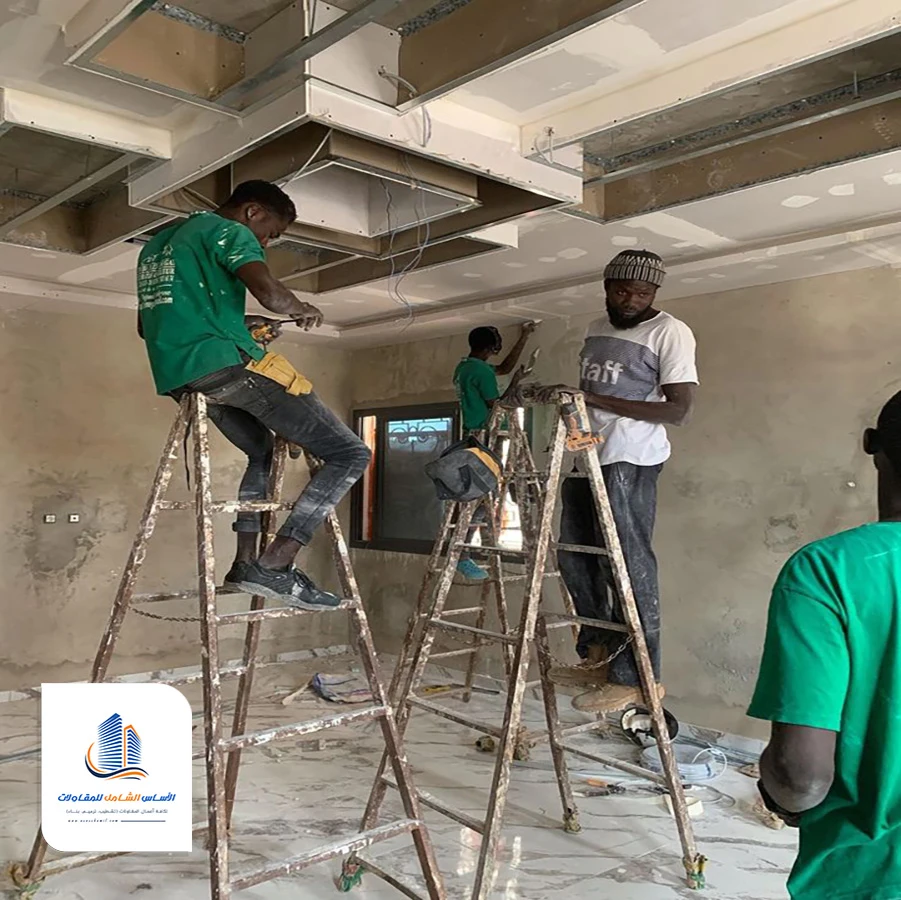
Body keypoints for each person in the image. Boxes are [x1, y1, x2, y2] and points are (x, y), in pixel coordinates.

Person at [136, 180, 371, 609]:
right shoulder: (229, 231)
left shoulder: (157, 246)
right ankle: (276, 564)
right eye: (271, 233)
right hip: (226, 368)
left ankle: (245, 564)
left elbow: (147, 325)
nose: (265, 242)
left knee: (261, 452)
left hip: (180, 377)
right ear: (252, 212)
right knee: (350, 454)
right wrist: (301, 308)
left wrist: (241, 323)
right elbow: (271, 294)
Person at [748, 390, 901, 899]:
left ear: (872, 446)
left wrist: (778, 796)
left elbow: (801, 777)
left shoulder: (828, 571)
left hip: (870, 876)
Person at [546, 249, 697, 714]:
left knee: (627, 564)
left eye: (643, 293)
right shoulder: (596, 328)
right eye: (623, 291)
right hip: (587, 455)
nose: (631, 300)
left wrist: (591, 398)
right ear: (607, 287)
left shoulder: (669, 331)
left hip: (631, 458)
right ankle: (599, 656)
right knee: (575, 557)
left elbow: (678, 410)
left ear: (655, 293)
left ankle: (636, 677)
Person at [452, 322, 536, 580]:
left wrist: (524, 336)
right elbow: (498, 406)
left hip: (473, 434)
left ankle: (474, 544)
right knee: (480, 494)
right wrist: (517, 383)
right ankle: (463, 554)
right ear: (491, 348)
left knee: (481, 491)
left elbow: (504, 368)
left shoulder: (466, 367)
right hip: (487, 434)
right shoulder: (481, 372)